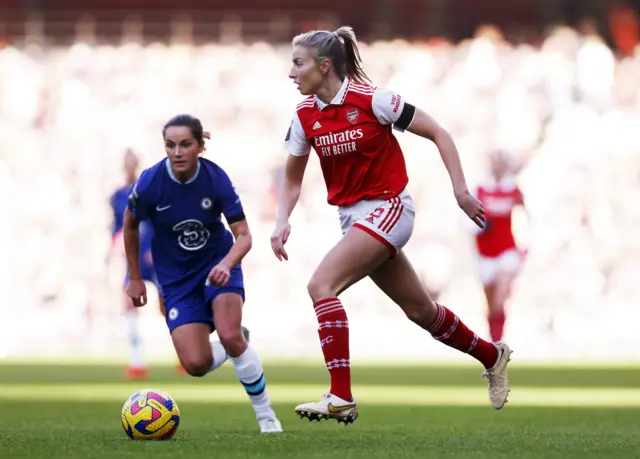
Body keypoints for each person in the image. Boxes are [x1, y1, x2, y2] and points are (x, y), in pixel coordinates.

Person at [271, 26, 512, 425]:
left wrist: (461, 191)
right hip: (353, 219)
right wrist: (282, 220)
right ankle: (492, 355)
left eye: (298, 63)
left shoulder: (375, 101)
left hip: (390, 208)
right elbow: (293, 177)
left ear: (324, 66)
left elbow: (438, 132)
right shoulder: (304, 115)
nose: (291, 73)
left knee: (320, 286)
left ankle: (341, 396)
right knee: (421, 311)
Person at [123, 114, 282, 433]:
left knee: (227, 331)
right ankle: (237, 341)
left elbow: (245, 236)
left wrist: (226, 264)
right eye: (170, 145)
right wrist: (136, 277)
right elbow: (130, 224)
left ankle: (266, 416)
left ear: (200, 146)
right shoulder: (152, 181)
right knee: (194, 365)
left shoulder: (215, 179)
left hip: (217, 269)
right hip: (177, 280)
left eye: (185, 145)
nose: (177, 152)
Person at [109, 149, 182, 379]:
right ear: (124, 166)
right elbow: (116, 227)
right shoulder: (118, 196)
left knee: (165, 306)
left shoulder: (147, 191)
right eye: (127, 162)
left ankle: (183, 354)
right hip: (133, 258)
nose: (130, 166)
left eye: (133, 162)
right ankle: (136, 361)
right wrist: (112, 247)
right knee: (130, 303)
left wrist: (155, 248)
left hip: (154, 256)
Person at [474, 151, 526, 342]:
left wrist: (525, 246)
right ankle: (493, 341)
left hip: (507, 251)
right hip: (485, 254)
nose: (497, 166)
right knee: (490, 306)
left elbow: (527, 216)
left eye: (500, 163)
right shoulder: (480, 188)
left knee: (500, 299)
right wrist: (479, 225)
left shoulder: (513, 189)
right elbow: (464, 220)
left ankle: (500, 343)